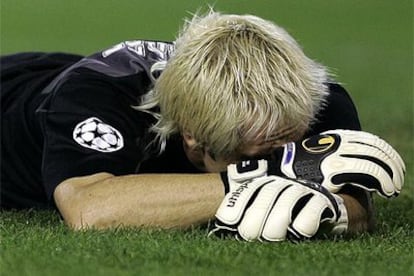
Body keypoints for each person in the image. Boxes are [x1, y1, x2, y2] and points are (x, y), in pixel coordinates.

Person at [1, 11, 404, 241]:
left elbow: (354, 206)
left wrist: (335, 210)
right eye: (259, 154)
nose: (287, 158)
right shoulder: (96, 98)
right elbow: (90, 208)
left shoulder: (318, 100)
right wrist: (263, 178)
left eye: (291, 147)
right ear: (192, 139)